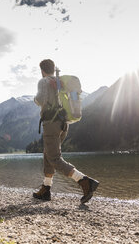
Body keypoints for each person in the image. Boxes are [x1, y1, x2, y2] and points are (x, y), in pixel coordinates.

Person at [33, 59, 99, 204]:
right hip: (63, 124)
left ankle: (84, 181)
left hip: (51, 123)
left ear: (42, 70)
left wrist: (35, 99)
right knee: (48, 154)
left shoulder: (43, 82)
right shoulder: (60, 81)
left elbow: (40, 100)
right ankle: (46, 188)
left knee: (54, 158)